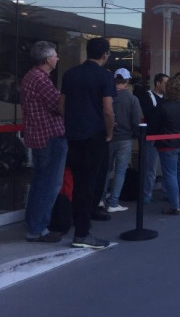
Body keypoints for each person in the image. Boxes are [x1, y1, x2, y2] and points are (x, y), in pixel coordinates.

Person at [60, 37, 115, 249]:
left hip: (73, 134)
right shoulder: (105, 76)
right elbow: (108, 110)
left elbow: (61, 105)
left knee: (76, 180)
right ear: (105, 55)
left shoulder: (70, 74)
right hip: (95, 136)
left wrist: (73, 122)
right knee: (89, 184)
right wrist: (108, 133)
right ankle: (82, 233)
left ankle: (78, 225)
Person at [20, 40, 68, 243]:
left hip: (39, 138)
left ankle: (34, 224)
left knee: (40, 183)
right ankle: (38, 228)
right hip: (50, 138)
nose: (58, 58)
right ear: (48, 59)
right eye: (56, 55)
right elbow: (59, 105)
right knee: (49, 184)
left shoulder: (31, 77)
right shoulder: (41, 79)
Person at [103, 68, 143, 212]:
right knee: (120, 171)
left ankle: (100, 200)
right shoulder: (132, 99)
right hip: (125, 138)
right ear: (127, 81)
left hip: (107, 137)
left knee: (105, 170)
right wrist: (136, 134)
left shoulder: (106, 96)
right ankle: (113, 202)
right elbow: (136, 120)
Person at [155, 76, 180, 214]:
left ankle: (175, 206)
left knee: (170, 175)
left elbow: (156, 125)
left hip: (168, 144)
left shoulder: (163, 105)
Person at [138, 73, 168, 204]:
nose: (168, 86)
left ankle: (167, 192)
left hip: (166, 136)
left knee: (168, 167)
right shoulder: (147, 96)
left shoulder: (168, 98)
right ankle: (146, 194)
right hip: (152, 136)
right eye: (166, 83)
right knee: (150, 167)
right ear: (158, 83)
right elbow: (149, 115)